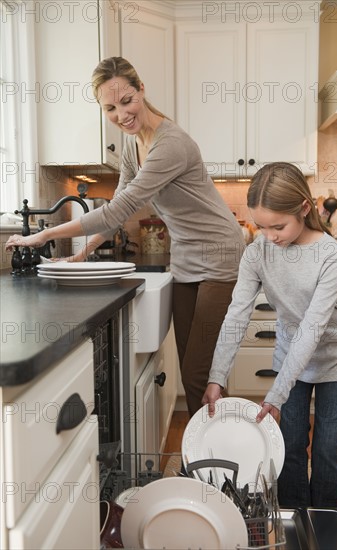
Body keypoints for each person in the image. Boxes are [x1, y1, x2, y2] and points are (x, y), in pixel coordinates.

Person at [6, 56, 245, 417]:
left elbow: (121, 209)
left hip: (221, 255)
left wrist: (45, 235)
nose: (122, 114)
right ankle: (211, 450)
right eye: (111, 108)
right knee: (192, 365)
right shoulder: (134, 145)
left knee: (200, 371)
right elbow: (117, 208)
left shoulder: (170, 144)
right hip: (186, 257)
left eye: (127, 101)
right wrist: (79, 256)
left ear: (142, 90)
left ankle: (214, 458)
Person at [202, 162, 337, 510]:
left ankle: (328, 527)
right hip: (292, 357)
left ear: (304, 208)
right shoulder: (257, 252)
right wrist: (217, 376)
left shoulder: (330, 255)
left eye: (278, 226)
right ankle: (295, 523)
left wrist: (275, 393)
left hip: (336, 359)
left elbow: (312, 329)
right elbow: (236, 315)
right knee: (288, 445)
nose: (270, 236)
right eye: (261, 226)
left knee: (327, 451)